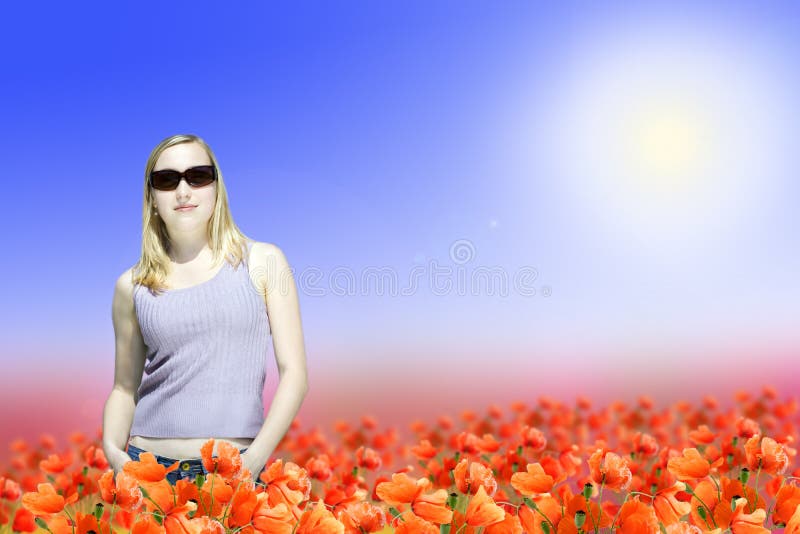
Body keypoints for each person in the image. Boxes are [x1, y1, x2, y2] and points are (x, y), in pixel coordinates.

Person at [102, 134, 308, 487]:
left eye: (198, 176)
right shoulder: (132, 286)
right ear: (152, 198)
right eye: (167, 180)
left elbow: (295, 375)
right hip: (148, 471)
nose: (183, 191)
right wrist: (112, 451)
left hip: (234, 473)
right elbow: (124, 387)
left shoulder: (264, 262)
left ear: (216, 187)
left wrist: (255, 458)